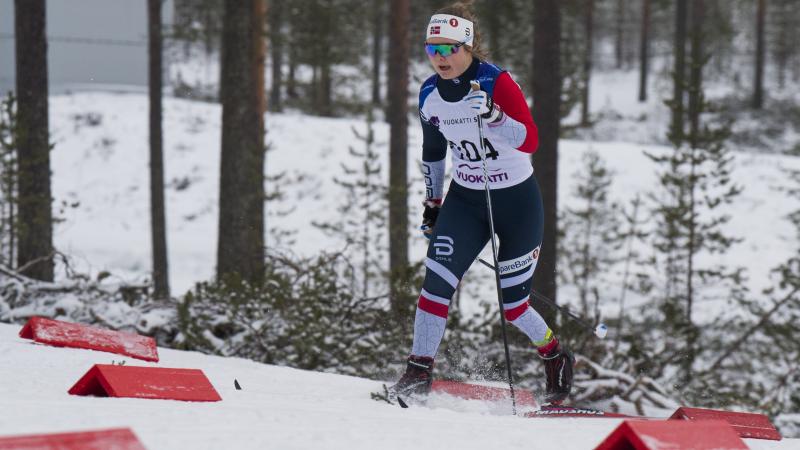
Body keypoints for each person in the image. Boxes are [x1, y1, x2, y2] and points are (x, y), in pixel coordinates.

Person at [389, 3, 574, 405]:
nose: (440, 58)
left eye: (449, 49)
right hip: (466, 201)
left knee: (514, 306)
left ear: (468, 47)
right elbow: (434, 151)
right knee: (436, 284)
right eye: (431, 49)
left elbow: (530, 140)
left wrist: (492, 115)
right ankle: (418, 371)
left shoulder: (497, 82)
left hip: (516, 203)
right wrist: (433, 203)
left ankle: (554, 353)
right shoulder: (428, 94)